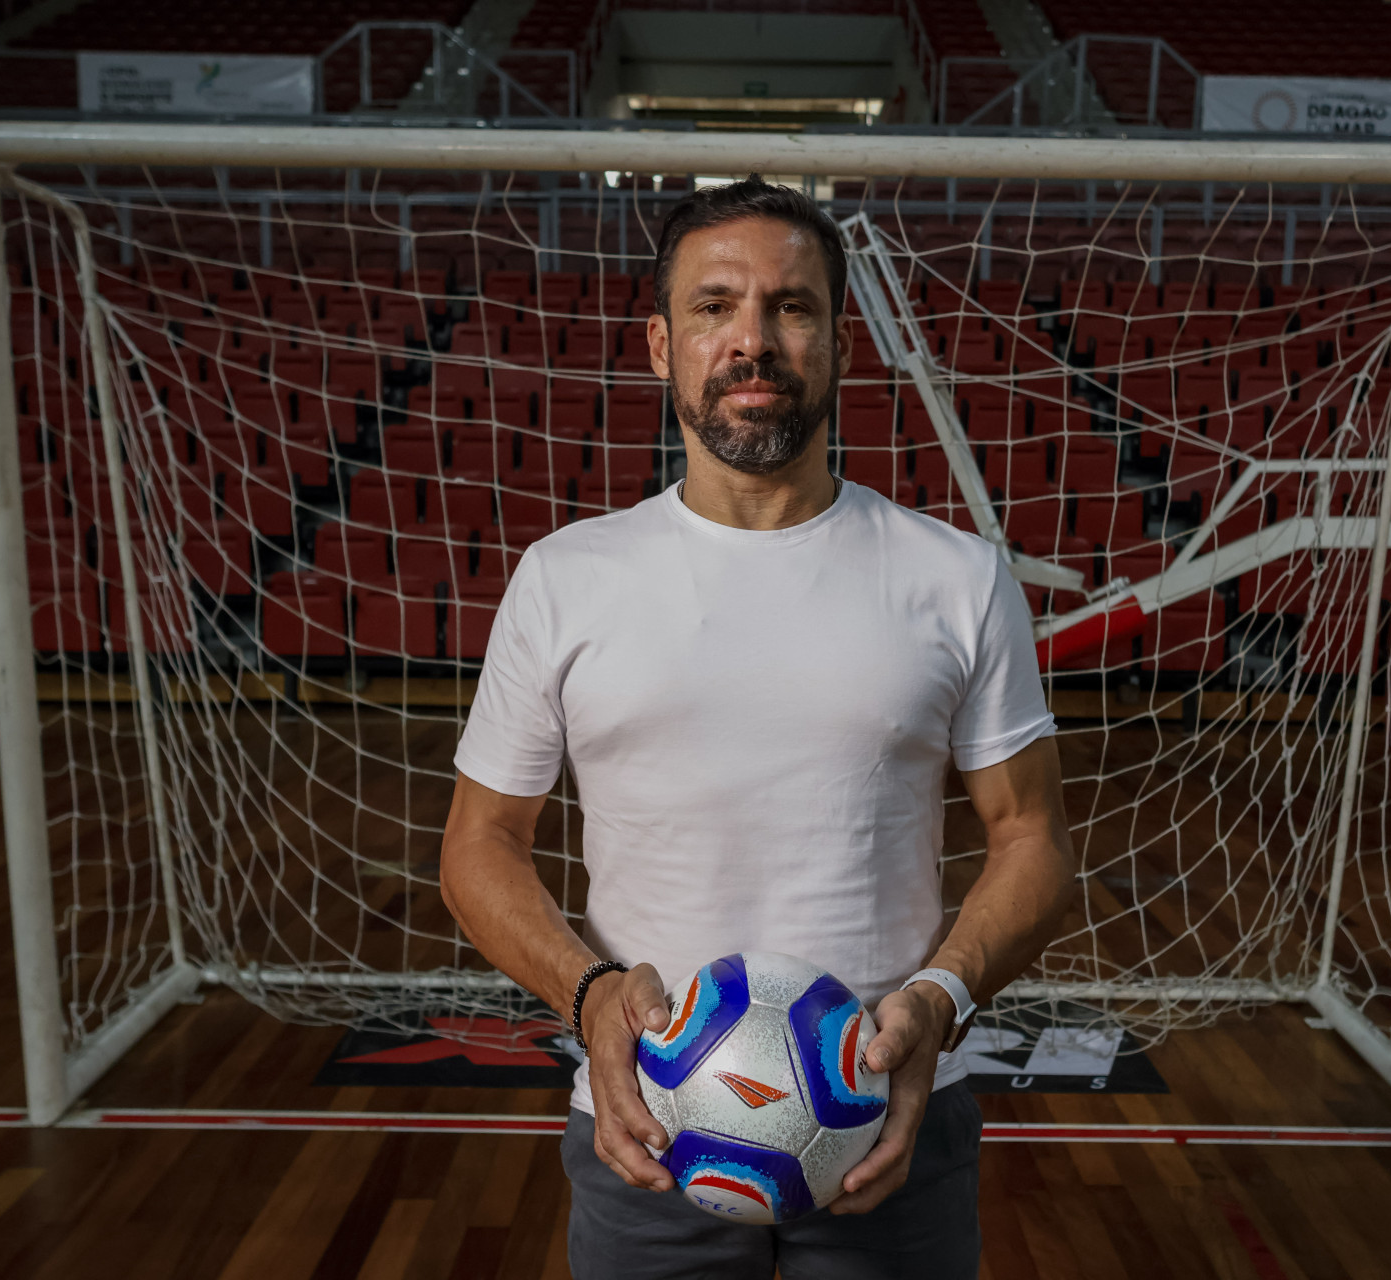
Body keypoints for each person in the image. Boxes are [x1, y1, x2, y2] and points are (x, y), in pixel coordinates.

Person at [438, 174, 1073, 1279]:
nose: (752, 338)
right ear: (657, 345)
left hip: (888, 1124)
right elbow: (477, 843)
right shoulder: (565, 580)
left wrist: (943, 994)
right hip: (647, 1122)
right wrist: (590, 998)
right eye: (714, 305)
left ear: (840, 341)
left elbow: (1034, 837)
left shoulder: (958, 578)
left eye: (791, 306)